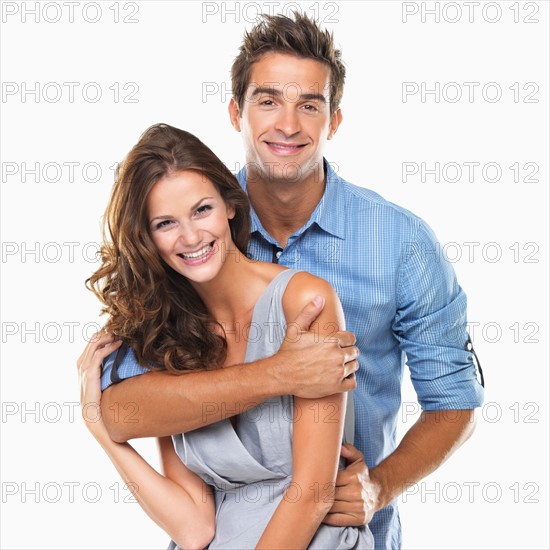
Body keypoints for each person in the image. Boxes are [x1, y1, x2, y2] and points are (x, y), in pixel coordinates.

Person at [97, 12, 485, 548]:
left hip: (342, 529)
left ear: (335, 120)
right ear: (236, 112)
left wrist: (380, 486)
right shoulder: (193, 238)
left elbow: (454, 402)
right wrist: (281, 373)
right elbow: (126, 405)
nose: (287, 124)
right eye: (268, 101)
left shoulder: (403, 243)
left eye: (309, 105)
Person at [79, 122, 373, 548]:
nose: (192, 236)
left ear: (230, 206)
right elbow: (194, 527)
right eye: (165, 223)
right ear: (147, 239)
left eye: (202, 210)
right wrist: (97, 427)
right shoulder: (168, 338)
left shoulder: (305, 301)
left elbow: (312, 494)